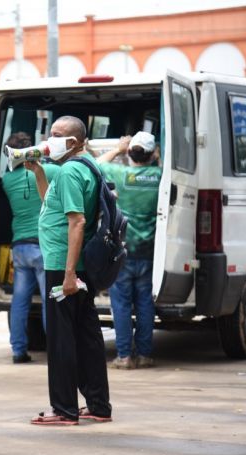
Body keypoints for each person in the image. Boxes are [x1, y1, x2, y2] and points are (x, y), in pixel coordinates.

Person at [31, 116, 112, 426]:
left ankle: (64, 409)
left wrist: (67, 275)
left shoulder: (68, 171)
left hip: (62, 267)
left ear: (75, 142)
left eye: (58, 135)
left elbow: (76, 222)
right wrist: (39, 172)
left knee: (62, 337)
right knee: (87, 335)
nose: (51, 140)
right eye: (50, 133)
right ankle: (98, 405)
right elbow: (51, 204)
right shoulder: (87, 166)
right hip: (78, 267)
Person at [97, 131, 162, 370]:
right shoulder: (160, 175)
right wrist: (159, 158)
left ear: (131, 152)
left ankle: (124, 356)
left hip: (122, 251)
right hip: (149, 250)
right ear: (152, 154)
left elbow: (95, 165)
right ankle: (144, 354)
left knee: (122, 304)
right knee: (145, 303)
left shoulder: (120, 174)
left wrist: (117, 149)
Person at [1, 132, 48, 364]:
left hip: (19, 246)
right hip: (42, 244)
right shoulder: (44, 172)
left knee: (19, 301)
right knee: (51, 300)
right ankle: (57, 348)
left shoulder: (7, 180)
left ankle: (18, 350)